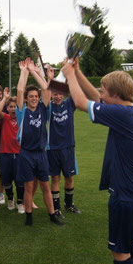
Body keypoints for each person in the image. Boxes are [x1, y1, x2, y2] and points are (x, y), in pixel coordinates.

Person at [61, 59, 133, 264]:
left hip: (126, 194)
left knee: (120, 249)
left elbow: (81, 103)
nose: (99, 95)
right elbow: (96, 101)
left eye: (103, 91)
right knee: (130, 242)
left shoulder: (121, 115)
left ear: (114, 95)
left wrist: (69, 76)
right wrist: (78, 71)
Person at [15, 59, 63, 226]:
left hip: (41, 153)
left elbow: (45, 88)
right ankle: (29, 216)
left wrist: (33, 71)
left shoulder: (44, 109)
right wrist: (24, 71)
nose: (34, 98)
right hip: (26, 154)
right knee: (29, 188)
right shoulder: (22, 112)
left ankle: (52, 215)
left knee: (45, 186)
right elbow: (20, 89)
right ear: (27, 100)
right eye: (31, 97)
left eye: (36, 96)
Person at [47, 81, 81, 217]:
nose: (58, 96)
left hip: (68, 147)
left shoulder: (69, 104)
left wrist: (69, 76)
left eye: (60, 94)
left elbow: (75, 89)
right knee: (55, 179)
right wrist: (49, 80)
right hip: (53, 148)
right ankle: (56, 208)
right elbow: (45, 92)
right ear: (51, 95)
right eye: (55, 94)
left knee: (69, 178)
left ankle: (69, 204)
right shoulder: (48, 107)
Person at [0, 87, 24, 213]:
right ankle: (10, 199)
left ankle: (20, 202)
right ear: (7, 108)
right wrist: (5, 98)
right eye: (11, 107)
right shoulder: (5, 118)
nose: (13, 109)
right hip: (5, 153)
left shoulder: (22, 118)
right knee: (6, 179)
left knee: (20, 180)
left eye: (15, 107)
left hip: (19, 154)